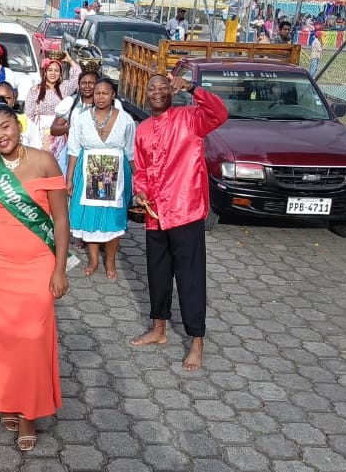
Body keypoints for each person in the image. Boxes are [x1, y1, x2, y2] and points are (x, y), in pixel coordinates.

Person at [0, 103, 70, 453]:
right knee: (4, 337)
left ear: (19, 125)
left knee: (33, 337)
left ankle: (29, 413)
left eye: (6, 127)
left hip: (38, 264)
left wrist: (59, 269)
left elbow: (60, 220)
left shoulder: (44, 161)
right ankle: (9, 400)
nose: (0, 136)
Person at [129, 73, 229, 372]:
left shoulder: (191, 118)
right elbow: (141, 169)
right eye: (152, 88)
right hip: (155, 214)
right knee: (157, 274)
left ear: (172, 92)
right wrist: (140, 191)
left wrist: (193, 88)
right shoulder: (143, 129)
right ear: (146, 94)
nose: (157, 92)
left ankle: (196, 340)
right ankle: (158, 329)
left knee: (190, 278)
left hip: (186, 210)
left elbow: (219, 113)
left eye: (163, 87)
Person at [66, 78, 136, 280]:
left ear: (113, 95)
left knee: (112, 218)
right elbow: (73, 150)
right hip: (88, 170)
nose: (100, 97)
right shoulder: (81, 119)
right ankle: (94, 259)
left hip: (117, 173)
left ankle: (110, 261)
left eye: (105, 93)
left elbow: (130, 151)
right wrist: (69, 179)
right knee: (91, 216)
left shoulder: (126, 120)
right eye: (97, 93)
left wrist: (139, 178)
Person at [23, 57, 80, 173]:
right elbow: (28, 113)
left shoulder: (64, 88)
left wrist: (70, 60)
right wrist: (34, 133)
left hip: (58, 132)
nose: (53, 73)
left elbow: (77, 77)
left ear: (60, 74)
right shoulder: (35, 90)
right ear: (44, 72)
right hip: (39, 132)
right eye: (50, 70)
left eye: (56, 70)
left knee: (57, 163)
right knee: (40, 162)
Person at [51, 70, 100, 138]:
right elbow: (53, 129)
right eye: (83, 83)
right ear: (79, 85)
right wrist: (73, 128)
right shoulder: (71, 102)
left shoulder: (104, 102)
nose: (87, 86)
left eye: (91, 83)